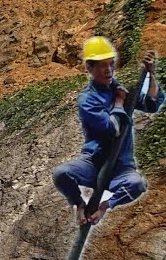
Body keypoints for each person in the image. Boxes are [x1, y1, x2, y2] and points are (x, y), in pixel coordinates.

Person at [53, 38, 161, 225]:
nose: (108, 70)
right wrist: (119, 103)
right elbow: (111, 129)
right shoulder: (88, 100)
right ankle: (79, 205)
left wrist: (151, 75)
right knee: (61, 174)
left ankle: (105, 206)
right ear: (90, 68)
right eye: (102, 66)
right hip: (93, 163)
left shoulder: (120, 89)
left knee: (137, 184)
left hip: (121, 167)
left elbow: (152, 104)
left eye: (111, 64)